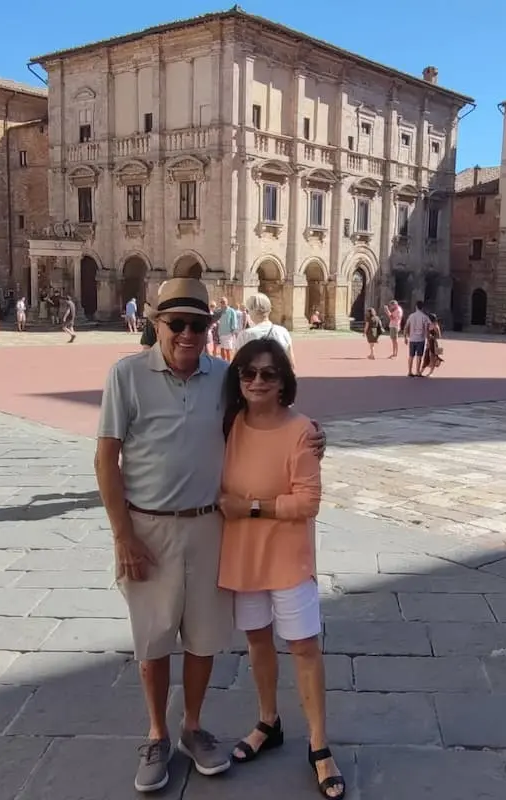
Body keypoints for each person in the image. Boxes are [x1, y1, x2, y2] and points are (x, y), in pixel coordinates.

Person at [94, 278, 325, 793]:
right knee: (152, 639)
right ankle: (156, 734)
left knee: (203, 638)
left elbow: (268, 413)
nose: (188, 334)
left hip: (209, 526)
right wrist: (121, 534)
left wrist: (314, 433)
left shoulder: (225, 376)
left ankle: (192, 726)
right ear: (157, 325)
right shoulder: (126, 375)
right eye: (176, 324)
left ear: (210, 327)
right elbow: (106, 458)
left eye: (198, 324)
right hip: (147, 527)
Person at [218, 338, 344, 799]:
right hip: (243, 556)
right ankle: (268, 722)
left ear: (283, 381)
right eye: (248, 373)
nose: (256, 381)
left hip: (288, 558)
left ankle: (319, 745)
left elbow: (308, 502)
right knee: (257, 641)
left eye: (268, 374)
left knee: (304, 647)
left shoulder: (301, 430)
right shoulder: (228, 424)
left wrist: (250, 507)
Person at [236, 293, 296, 370]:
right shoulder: (283, 332)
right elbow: (292, 365)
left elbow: (236, 366)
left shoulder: (245, 335)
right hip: (277, 379)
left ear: (252, 311)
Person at [403, 301, 430, 377]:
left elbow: (406, 327)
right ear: (423, 307)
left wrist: (405, 337)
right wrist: (428, 340)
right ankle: (418, 371)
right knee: (419, 356)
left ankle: (409, 371)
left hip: (412, 338)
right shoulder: (425, 317)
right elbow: (426, 329)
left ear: (416, 307)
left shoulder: (411, 316)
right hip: (421, 339)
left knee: (411, 355)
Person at [216, 297, 239, 362]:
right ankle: (223, 363)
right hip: (220, 333)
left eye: (223, 302)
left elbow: (234, 322)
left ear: (227, 302)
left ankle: (229, 364)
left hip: (228, 333)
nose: (222, 303)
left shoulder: (231, 311)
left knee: (228, 350)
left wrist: (232, 331)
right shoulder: (219, 311)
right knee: (222, 349)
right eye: (221, 302)